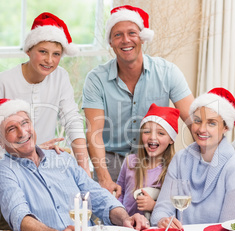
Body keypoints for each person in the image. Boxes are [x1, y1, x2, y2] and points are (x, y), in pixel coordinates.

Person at [0, 98, 148, 231]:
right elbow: (19, 216)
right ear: (0, 140)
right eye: (11, 129)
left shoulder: (62, 158)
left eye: (25, 123)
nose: (22, 132)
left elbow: (97, 195)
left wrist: (125, 219)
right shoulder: (4, 171)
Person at [82, 5, 194, 197]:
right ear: (110, 42)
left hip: (155, 164)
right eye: (118, 35)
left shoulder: (168, 72)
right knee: (109, 225)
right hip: (111, 166)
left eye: (132, 33)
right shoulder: (96, 79)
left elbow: (194, 121)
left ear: (142, 37)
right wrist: (104, 180)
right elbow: (95, 133)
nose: (126, 40)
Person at [0, 12, 90, 176]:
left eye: (56, 54)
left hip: (43, 168)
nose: (49, 60)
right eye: (43, 51)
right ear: (28, 50)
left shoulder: (60, 77)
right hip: (6, 171)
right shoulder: (2, 83)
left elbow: (72, 119)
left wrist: (84, 170)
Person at [151, 87, 235, 228]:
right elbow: (161, 209)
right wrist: (162, 220)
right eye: (198, 121)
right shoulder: (180, 159)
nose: (201, 129)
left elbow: (231, 228)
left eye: (212, 123)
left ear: (226, 127)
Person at [117, 103, 179, 221]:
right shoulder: (130, 162)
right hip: (128, 227)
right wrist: (121, 217)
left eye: (161, 133)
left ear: (171, 139)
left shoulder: (172, 169)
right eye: (147, 132)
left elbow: (176, 209)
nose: (152, 137)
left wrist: (153, 206)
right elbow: (120, 193)